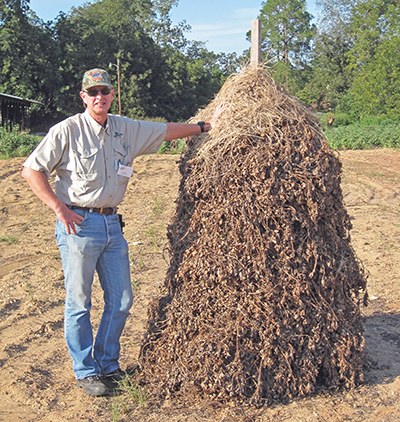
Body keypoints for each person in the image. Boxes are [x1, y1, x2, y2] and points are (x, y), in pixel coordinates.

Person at [22, 68, 225, 396]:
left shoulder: (125, 128)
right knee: (79, 302)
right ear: (84, 97)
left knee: (121, 300)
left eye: (105, 91)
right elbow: (31, 169)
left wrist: (204, 126)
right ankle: (85, 371)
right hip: (79, 225)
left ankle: (107, 363)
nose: (99, 97)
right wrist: (59, 209)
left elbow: (166, 130)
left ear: (112, 94)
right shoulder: (67, 131)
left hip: (112, 225)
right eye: (93, 92)